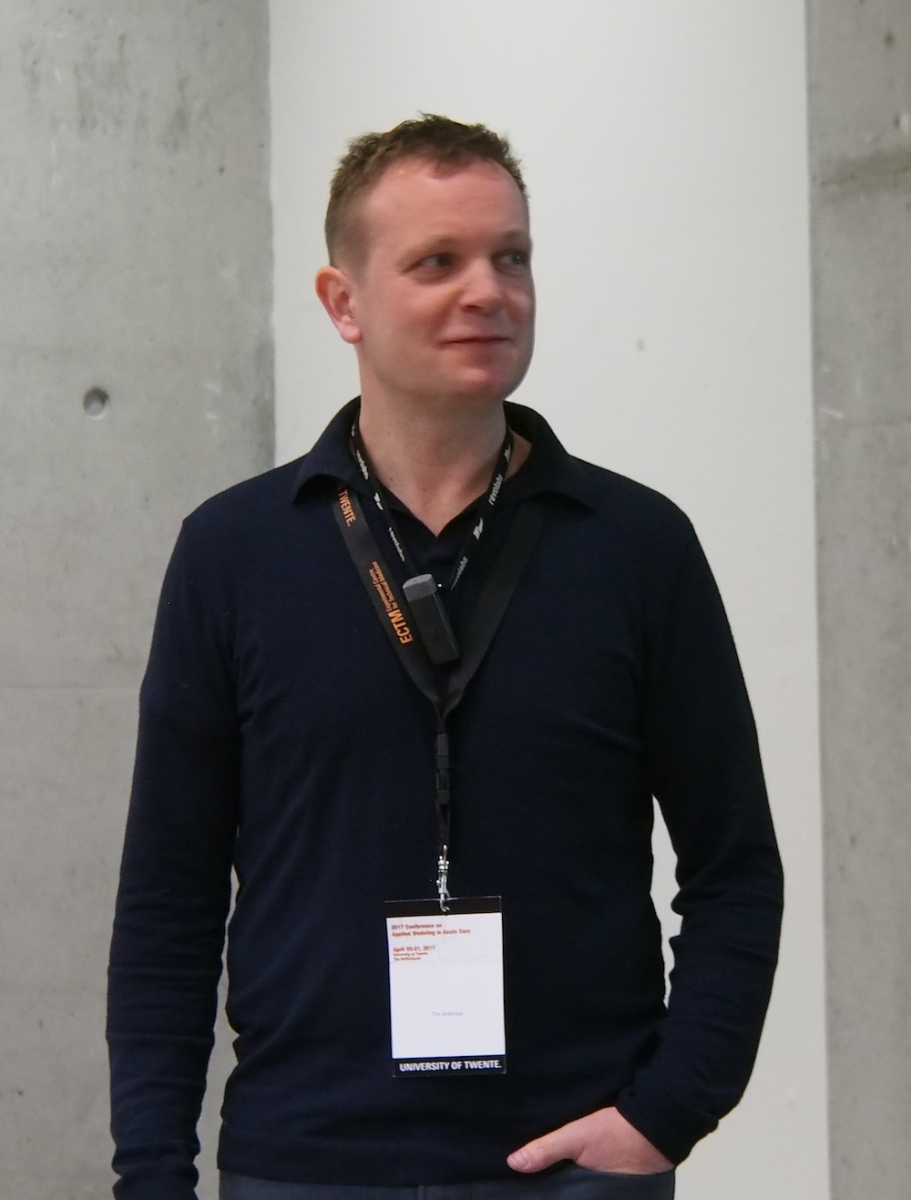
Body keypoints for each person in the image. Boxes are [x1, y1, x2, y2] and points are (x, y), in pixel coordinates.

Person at [108, 115, 783, 1200]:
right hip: (305, 1164)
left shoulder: (636, 547)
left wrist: (665, 1113)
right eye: (437, 262)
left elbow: (733, 866)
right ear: (343, 303)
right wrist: (151, 1173)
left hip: (573, 1164)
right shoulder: (233, 553)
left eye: (510, 257)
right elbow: (168, 897)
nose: (488, 292)